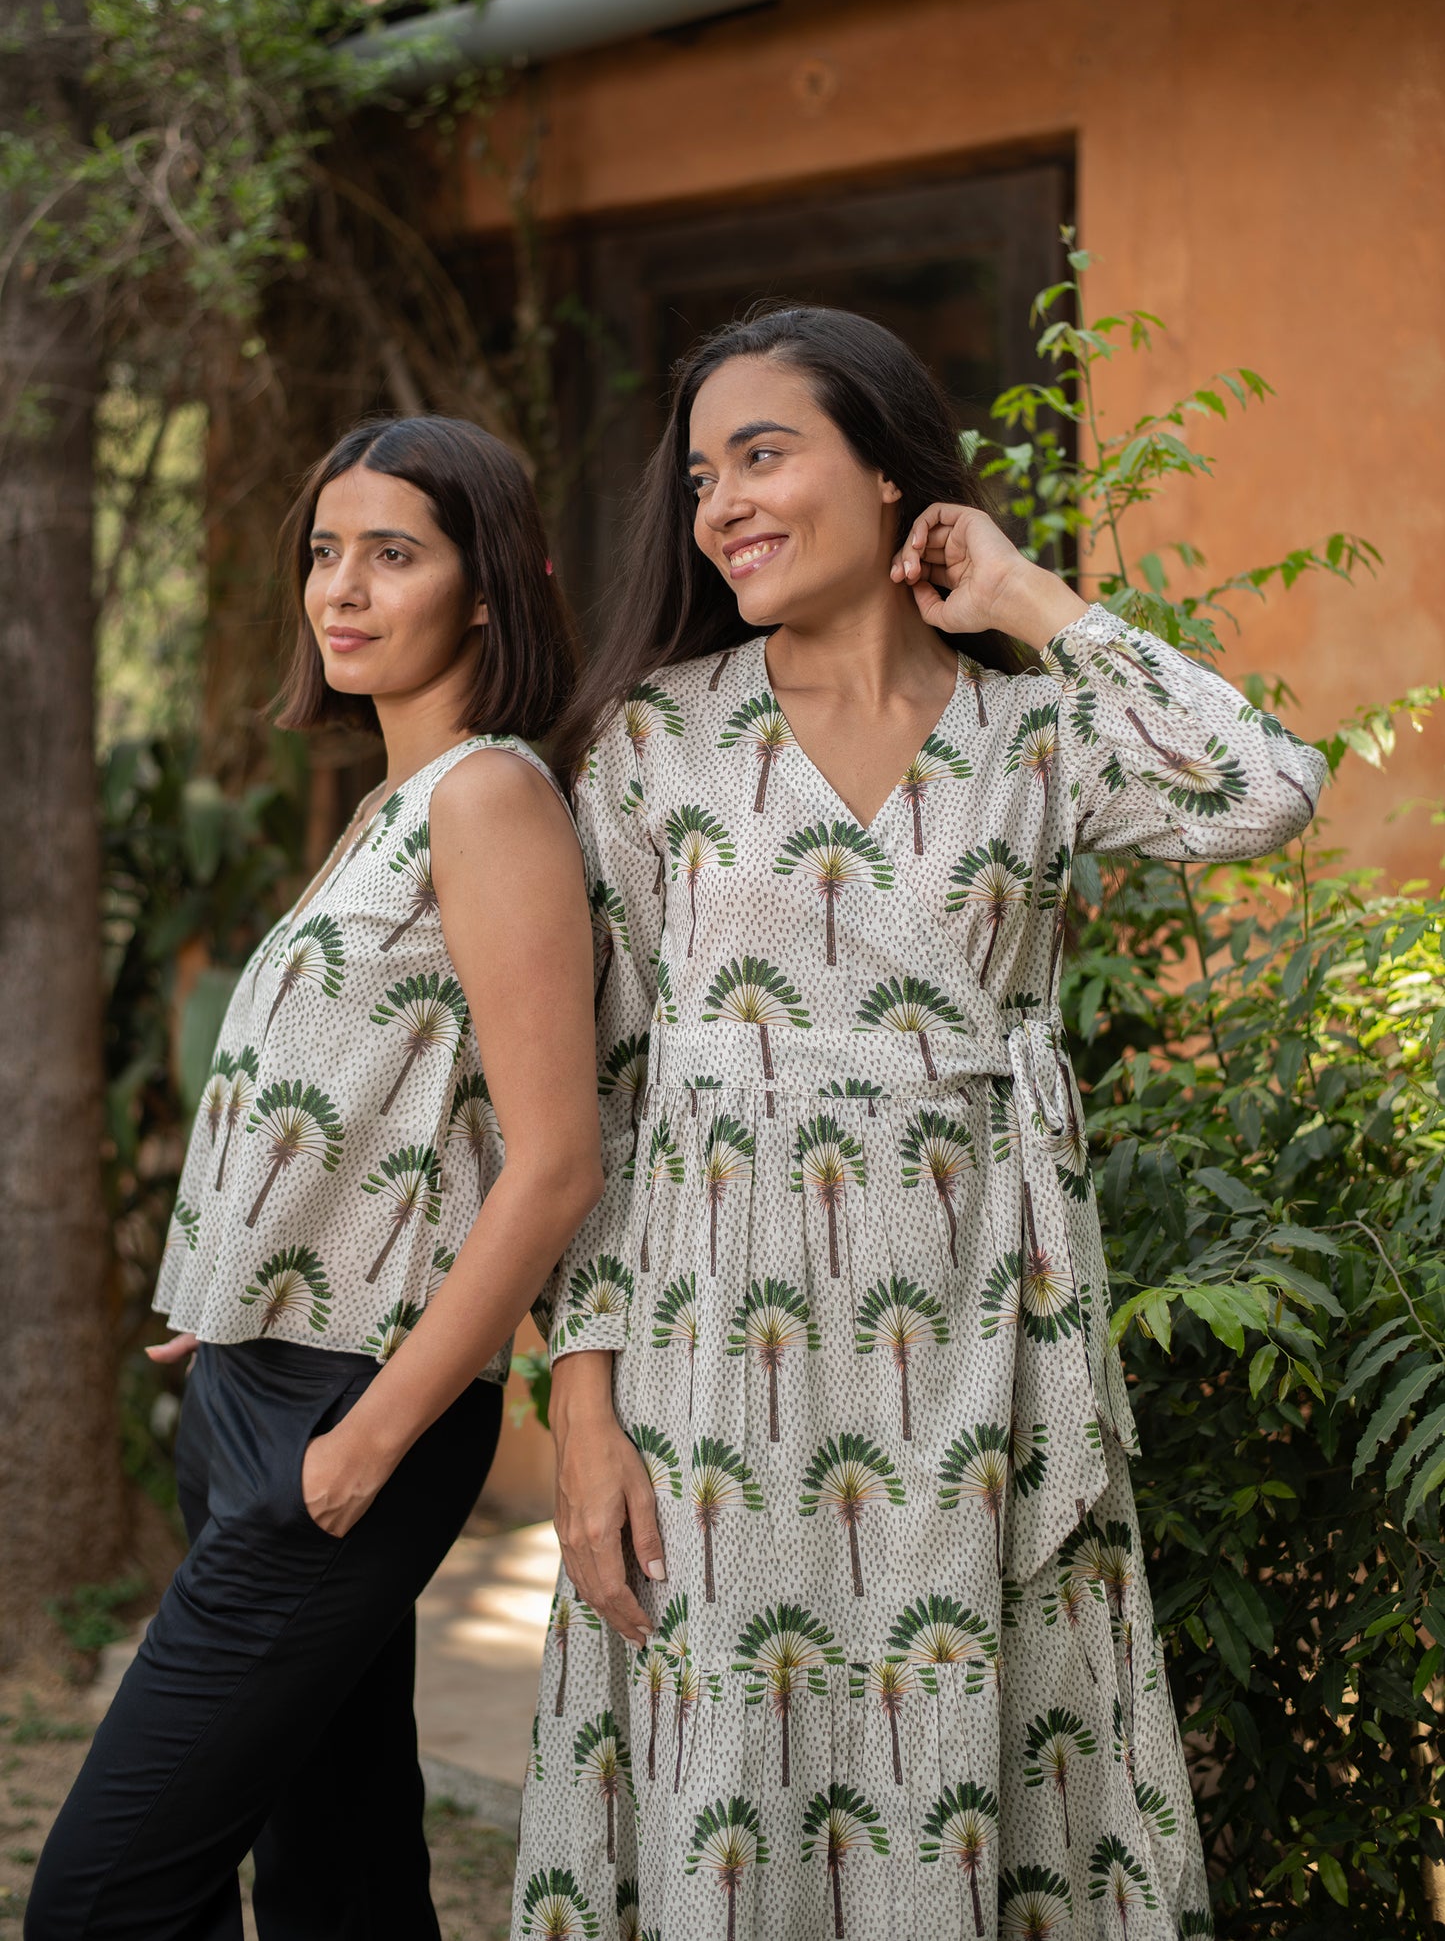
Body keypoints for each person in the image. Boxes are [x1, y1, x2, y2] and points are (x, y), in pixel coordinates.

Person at [512, 307, 1325, 1940]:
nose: (721, 504)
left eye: (762, 454)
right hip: (715, 1366)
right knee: (733, 1761)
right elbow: (601, 1090)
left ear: (889, 473)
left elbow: (1264, 791)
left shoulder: (1031, 732)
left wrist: (1023, 595)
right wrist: (581, 1416)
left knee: (974, 1743)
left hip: (984, 1341)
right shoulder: (657, 741)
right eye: (700, 476)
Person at [27, 415, 601, 1941]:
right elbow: (359, 1113)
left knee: (102, 1900)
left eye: (392, 554)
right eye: (325, 551)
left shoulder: (488, 798)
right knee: (338, 1876)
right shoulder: (387, 806)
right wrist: (231, 1299)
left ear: (488, 588)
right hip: (256, 1385)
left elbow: (552, 1165)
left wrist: (366, 1443)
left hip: (351, 1414)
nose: (340, 588)